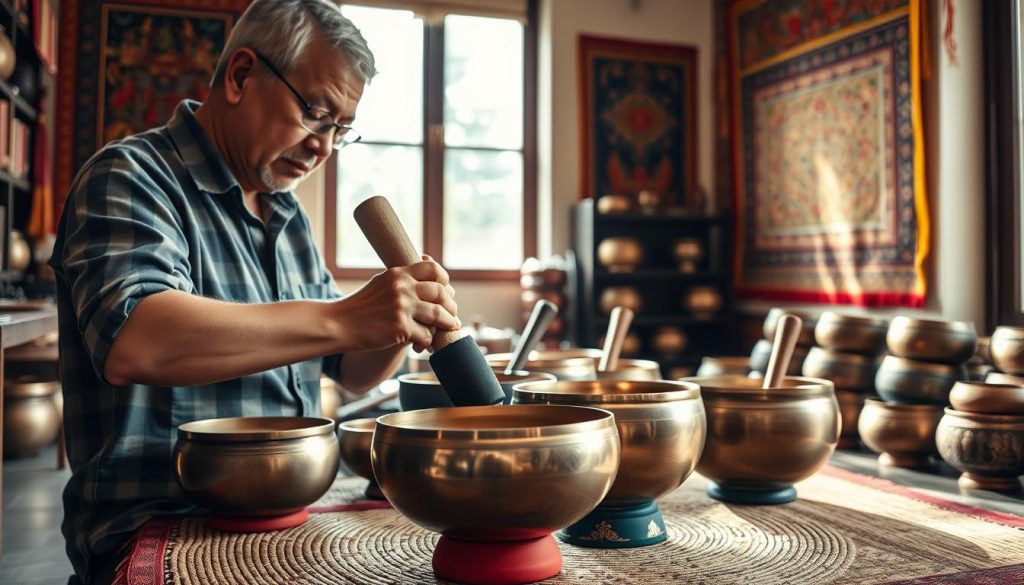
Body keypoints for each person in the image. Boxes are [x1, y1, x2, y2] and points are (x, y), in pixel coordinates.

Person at [50, 2, 460, 583]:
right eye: (316, 113)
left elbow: (350, 371)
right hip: (161, 524)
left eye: (341, 130)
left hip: (289, 516)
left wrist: (400, 319)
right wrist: (347, 316)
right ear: (242, 75)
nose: (324, 148)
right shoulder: (130, 176)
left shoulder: (285, 215)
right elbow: (136, 340)